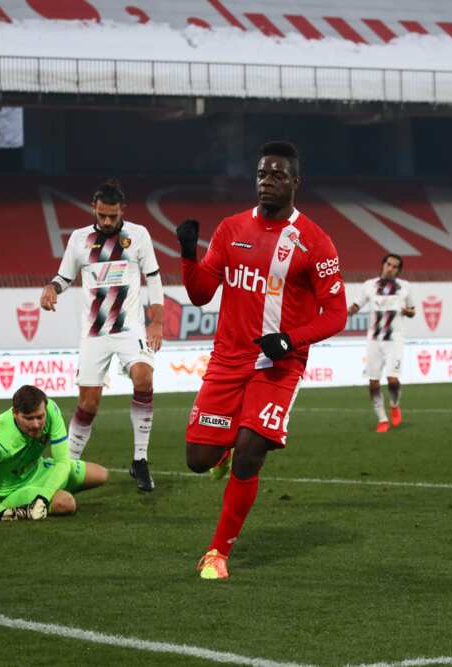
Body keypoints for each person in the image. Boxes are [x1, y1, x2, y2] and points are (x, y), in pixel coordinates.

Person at [175, 141, 347, 580]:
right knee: (197, 459)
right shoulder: (232, 229)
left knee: (251, 450)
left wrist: (289, 341)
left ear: (294, 182)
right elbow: (200, 294)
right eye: (261, 175)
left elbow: (337, 314)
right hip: (228, 360)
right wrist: (188, 253)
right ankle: (222, 457)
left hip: (278, 365)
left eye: (276, 176)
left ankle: (217, 552)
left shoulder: (315, 241)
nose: (266, 182)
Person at [40, 180, 164, 492]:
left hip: (130, 329)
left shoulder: (138, 236)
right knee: (89, 404)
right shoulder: (79, 240)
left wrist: (157, 322)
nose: (107, 221)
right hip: (94, 334)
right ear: (94, 209)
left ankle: (140, 460)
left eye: (112, 216)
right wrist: (51, 288)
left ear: (122, 210)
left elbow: (154, 278)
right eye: (101, 215)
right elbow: (63, 277)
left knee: (144, 378)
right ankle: (65, 468)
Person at [0, 385, 108, 520]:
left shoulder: (51, 411)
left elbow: (62, 462)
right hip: (8, 492)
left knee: (100, 474)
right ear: (15, 413)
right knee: (66, 503)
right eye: (29, 418)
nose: (36, 424)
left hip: (37, 471)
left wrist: (43, 497)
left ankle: (46, 493)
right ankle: (32, 502)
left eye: (40, 417)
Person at [348, 254, 415, 432]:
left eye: (394, 266)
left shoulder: (405, 287)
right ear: (383, 265)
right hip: (374, 340)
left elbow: (412, 311)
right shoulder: (369, 285)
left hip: (395, 339)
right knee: (373, 383)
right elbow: (356, 306)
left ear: (398, 270)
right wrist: (344, 312)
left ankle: (394, 404)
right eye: (388, 264)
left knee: (392, 379)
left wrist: (406, 311)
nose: (390, 268)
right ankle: (382, 419)